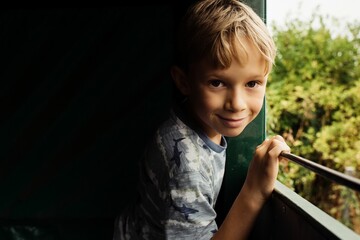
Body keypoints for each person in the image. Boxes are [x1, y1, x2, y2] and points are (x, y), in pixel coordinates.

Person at [113, 0, 290, 239]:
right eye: (217, 83)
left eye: (252, 83)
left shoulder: (190, 123)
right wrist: (253, 192)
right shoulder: (186, 166)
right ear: (184, 82)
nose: (236, 103)